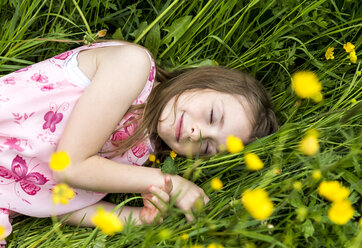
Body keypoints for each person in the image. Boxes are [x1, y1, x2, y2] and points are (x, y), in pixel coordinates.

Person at [0, 40, 278, 244]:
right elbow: (70, 167)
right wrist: (167, 182)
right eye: (212, 115)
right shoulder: (132, 66)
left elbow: (57, 202)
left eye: (206, 147)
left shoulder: (140, 155)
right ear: (201, 81)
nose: (197, 133)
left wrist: (137, 219)